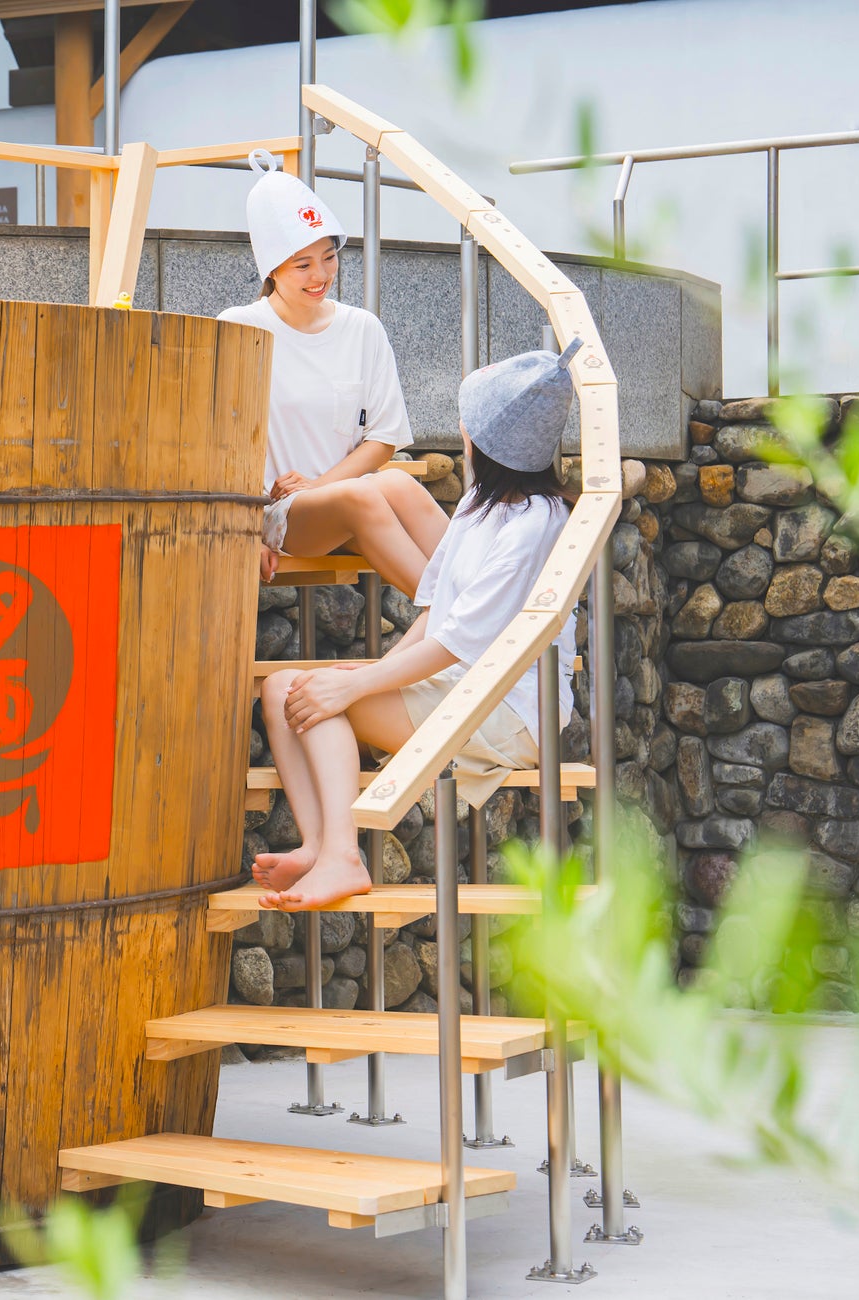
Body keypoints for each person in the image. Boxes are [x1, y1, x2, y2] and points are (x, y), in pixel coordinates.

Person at [251, 339, 584, 911]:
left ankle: (343, 856)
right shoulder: (485, 503)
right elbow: (436, 613)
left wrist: (357, 684)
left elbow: (456, 640)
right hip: (470, 683)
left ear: (482, 441)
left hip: (507, 707)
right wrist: (369, 675)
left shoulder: (534, 525)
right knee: (281, 687)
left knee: (321, 696)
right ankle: (318, 846)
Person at [220, 153, 448, 596]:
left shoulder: (362, 328)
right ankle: (460, 631)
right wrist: (241, 531)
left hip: (346, 496)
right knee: (364, 494)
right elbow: (214, 443)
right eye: (303, 265)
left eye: (328, 257)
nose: (320, 275)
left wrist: (318, 485)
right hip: (279, 512)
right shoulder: (239, 327)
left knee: (397, 483)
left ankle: (490, 608)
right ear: (272, 269)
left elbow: (382, 438)